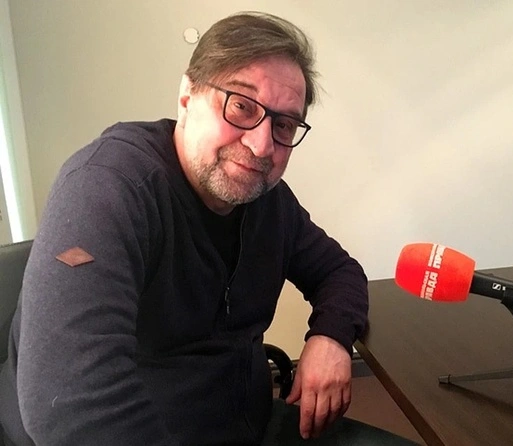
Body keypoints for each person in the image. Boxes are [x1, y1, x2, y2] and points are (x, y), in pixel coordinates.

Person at [0, 11, 418, 446]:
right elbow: (71, 404)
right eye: (241, 106)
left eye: (283, 125)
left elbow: (338, 271)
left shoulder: (269, 201)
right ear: (187, 96)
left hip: (245, 423)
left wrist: (330, 337)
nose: (261, 145)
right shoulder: (108, 186)